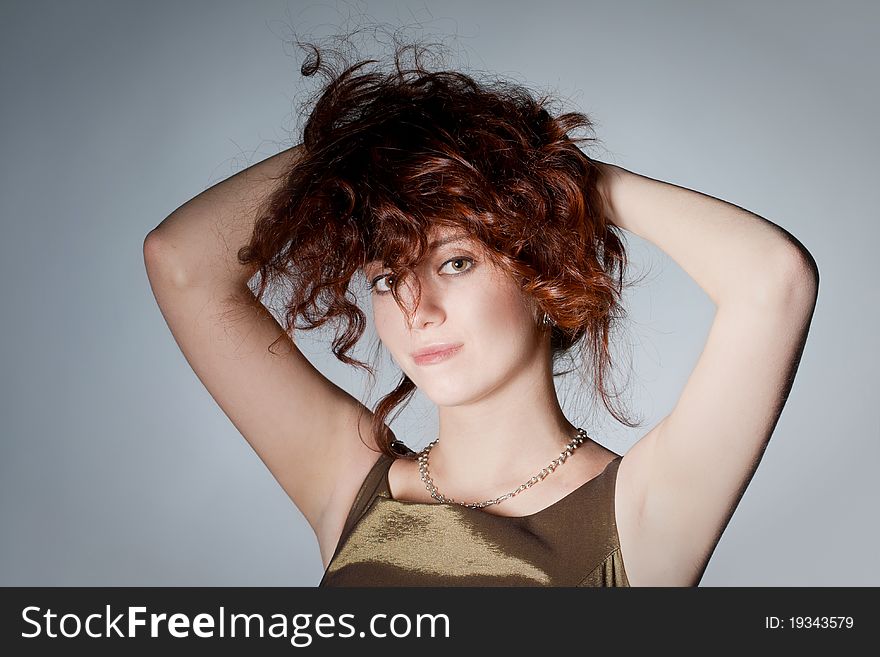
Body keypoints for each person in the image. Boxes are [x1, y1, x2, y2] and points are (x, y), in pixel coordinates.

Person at [143, 40, 819, 586]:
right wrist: (369, 139)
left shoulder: (642, 514)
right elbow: (181, 261)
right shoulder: (349, 484)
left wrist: (558, 177)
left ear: (542, 266)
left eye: (455, 263)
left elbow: (773, 277)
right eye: (385, 279)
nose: (417, 307)